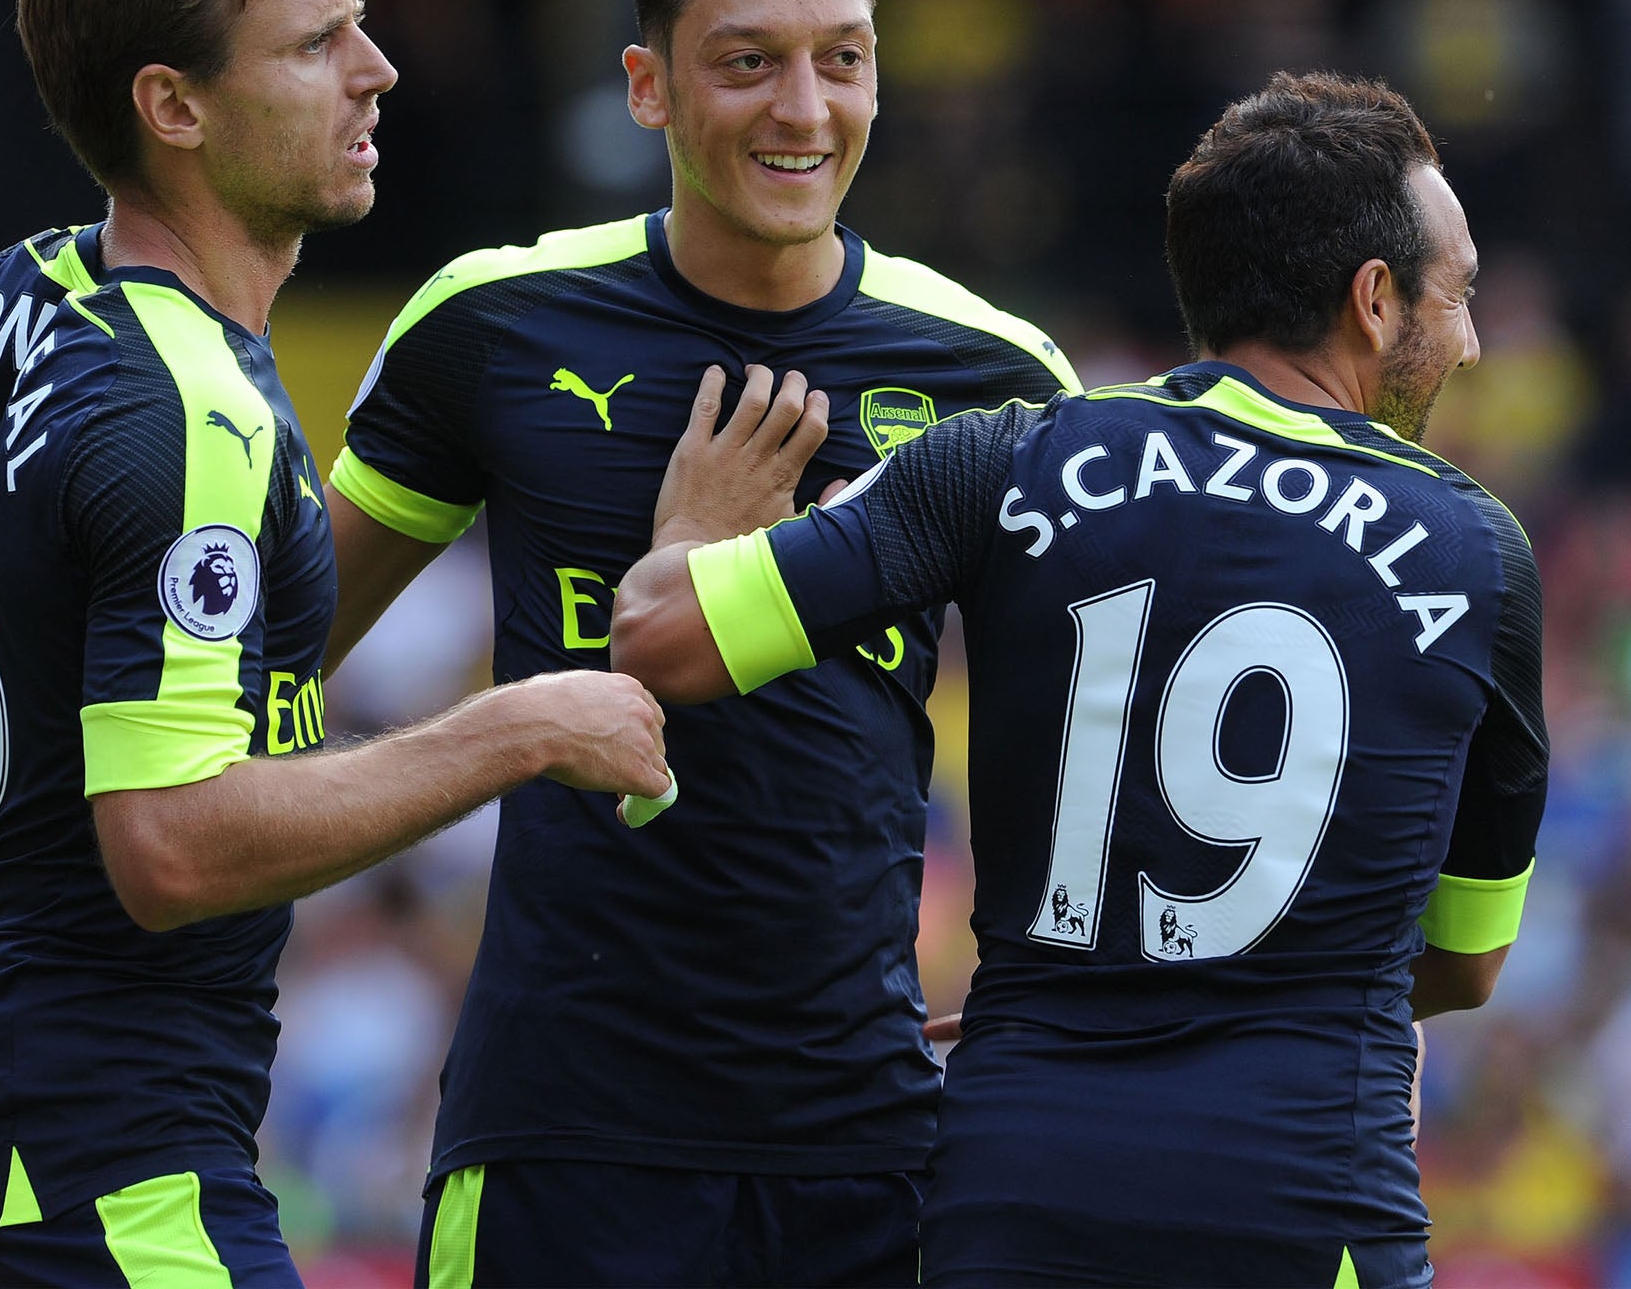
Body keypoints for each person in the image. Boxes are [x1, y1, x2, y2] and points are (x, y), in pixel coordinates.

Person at [0, 0, 672, 1288]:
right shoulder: (192, 416)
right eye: (321, 43)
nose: (380, 69)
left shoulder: (6, 302)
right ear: (176, 108)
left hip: (12, 1110)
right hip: (105, 1147)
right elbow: (172, 849)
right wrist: (519, 726)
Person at [612, 70, 1548, 1288]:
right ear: (1372, 302)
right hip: (1303, 1202)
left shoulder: (1004, 458)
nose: (1468, 339)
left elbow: (661, 642)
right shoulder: (1476, 552)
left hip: (1019, 1189)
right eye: (1456, 294)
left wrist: (690, 527)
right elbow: (1464, 962)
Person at [320, 0, 1078, 1287]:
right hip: (559, 1140)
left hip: (872, 1149)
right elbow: (267, 659)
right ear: (648, 88)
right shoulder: (493, 325)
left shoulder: (997, 378)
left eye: (840, 60)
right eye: (747, 64)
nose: (804, 109)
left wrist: (1055, 997)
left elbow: (1089, 742)